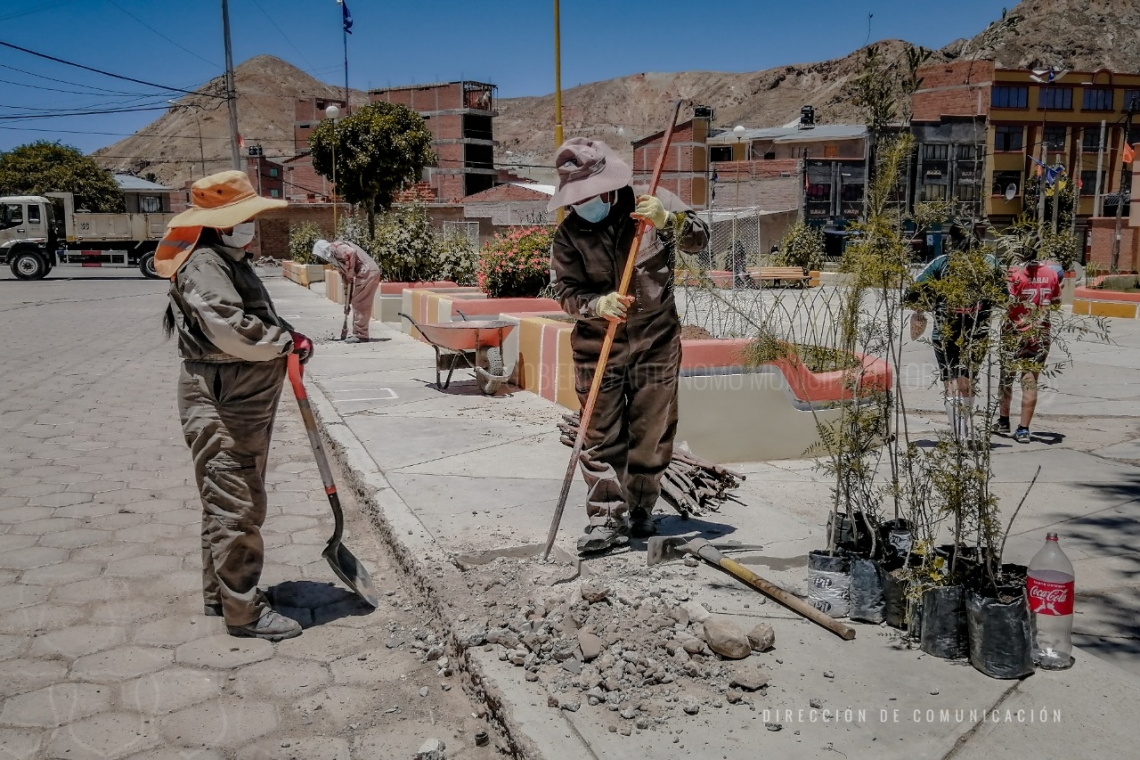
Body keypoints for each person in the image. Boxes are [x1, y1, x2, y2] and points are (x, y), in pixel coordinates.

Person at [156, 170, 312, 641]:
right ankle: (244, 612)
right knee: (236, 500)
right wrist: (283, 340)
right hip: (226, 399)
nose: (253, 227)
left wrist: (288, 338)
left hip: (239, 396)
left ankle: (220, 596)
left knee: (224, 498)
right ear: (222, 223)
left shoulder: (228, 259)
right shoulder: (204, 263)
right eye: (246, 219)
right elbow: (228, 327)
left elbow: (254, 315)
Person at [548, 137, 710, 553]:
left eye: (588, 194)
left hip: (656, 341)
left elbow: (700, 241)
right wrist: (595, 304)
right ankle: (605, 518)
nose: (583, 203)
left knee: (652, 430)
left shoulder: (652, 202)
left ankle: (641, 510)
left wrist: (670, 221)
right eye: (575, 197)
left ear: (607, 183)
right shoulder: (570, 234)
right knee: (599, 434)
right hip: (596, 347)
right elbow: (564, 290)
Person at [905, 224, 1002, 445]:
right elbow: (1004, 294)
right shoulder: (989, 264)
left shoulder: (941, 264)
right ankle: (963, 432)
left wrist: (927, 306)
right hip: (976, 334)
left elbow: (911, 293)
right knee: (966, 382)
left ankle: (959, 434)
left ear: (952, 241)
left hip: (946, 333)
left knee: (951, 384)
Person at [996, 234, 1062, 443]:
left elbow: (1004, 302)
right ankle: (1024, 429)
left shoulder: (1014, 274)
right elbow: (1057, 302)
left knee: (1007, 377)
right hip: (1040, 333)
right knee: (1030, 380)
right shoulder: (1051, 274)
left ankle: (1003, 421)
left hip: (1013, 331)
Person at [312, 239, 382, 343]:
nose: (321, 258)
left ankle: (361, 335)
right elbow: (347, 282)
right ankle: (359, 333)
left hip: (368, 272)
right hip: (365, 273)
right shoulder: (337, 260)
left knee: (359, 303)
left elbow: (351, 253)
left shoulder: (335, 247)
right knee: (357, 302)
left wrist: (350, 272)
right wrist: (347, 303)